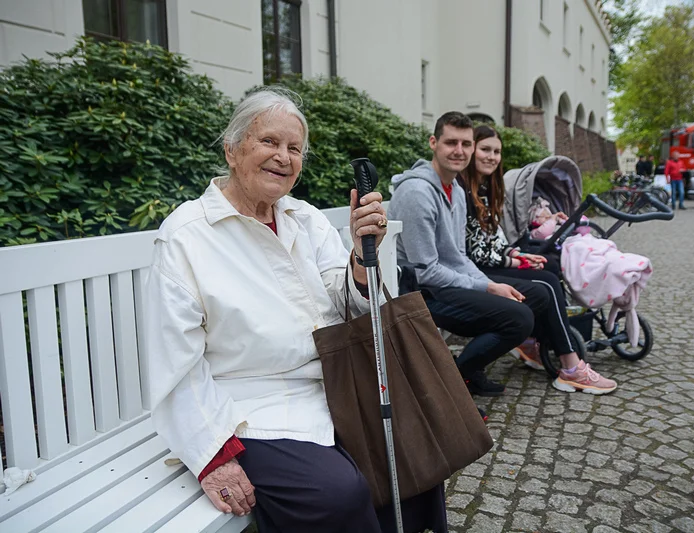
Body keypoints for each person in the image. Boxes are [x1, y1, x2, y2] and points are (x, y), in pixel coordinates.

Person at [145, 88, 446, 533]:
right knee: (338, 496)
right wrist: (213, 456)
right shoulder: (186, 237)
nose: (283, 157)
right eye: (269, 142)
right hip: (248, 406)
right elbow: (176, 363)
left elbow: (347, 304)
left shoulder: (304, 219)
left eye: (294, 148)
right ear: (232, 150)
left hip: (334, 386)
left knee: (413, 448)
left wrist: (364, 261)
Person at [387, 112, 551, 398]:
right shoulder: (417, 193)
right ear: (433, 143)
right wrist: (487, 286)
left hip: (444, 282)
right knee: (519, 318)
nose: (459, 151)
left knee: (538, 294)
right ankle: (455, 379)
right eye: (451, 142)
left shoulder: (456, 190)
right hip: (418, 291)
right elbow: (426, 270)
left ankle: (470, 369)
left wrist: (489, 283)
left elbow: (459, 256)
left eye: (466, 144)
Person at [459, 125, 617, 395]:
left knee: (548, 267)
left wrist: (518, 255)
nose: (491, 156)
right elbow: (475, 251)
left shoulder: (488, 188)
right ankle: (570, 366)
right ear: (472, 150)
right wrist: (514, 262)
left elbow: (494, 239)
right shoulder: (464, 192)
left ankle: (539, 342)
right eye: (485, 149)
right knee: (544, 284)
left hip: (485, 263)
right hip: (471, 271)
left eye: (496, 151)